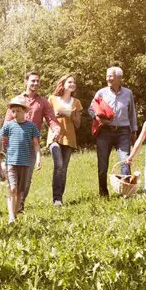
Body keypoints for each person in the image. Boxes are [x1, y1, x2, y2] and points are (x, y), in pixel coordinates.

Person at [3, 72, 60, 209]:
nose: (35, 83)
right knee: (13, 177)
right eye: (33, 81)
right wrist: (2, 146)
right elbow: (6, 124)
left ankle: (20, 205)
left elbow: (51, 119)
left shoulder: (43, 102)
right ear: (26, 81)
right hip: (14, 146)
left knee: (27, 179)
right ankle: (14, 206)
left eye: (38, 81)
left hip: (30, 145)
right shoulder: (16, 100)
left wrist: (56, 129)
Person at [89, 66, 138, 197]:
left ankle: (126, 192)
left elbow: (132, 112)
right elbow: (91, 109)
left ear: (119, 78)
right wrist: (97, 117)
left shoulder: (128, 93)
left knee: (125, 161)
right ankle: (103, 194)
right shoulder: (101, 93)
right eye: (107, 76)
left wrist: (134, 130)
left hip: (123, 132)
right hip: (104, 132)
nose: (108, 78)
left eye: (111, 76)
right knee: (102, 165)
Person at [0, 96, 41, 223]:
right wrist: (1, 158)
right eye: (13, 111)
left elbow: (36, 144)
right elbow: (0, 141)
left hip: (25, 162)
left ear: (25, 111)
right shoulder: (8, 126)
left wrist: (39, 158)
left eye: (18, 111)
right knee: (12, 188)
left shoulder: (31, 127)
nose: (15, 113)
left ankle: (15, 215)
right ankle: (11, 217)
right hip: (11, 162)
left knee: (19, 191)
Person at [48, 74, 83, 206]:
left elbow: (78, 124)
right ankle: (56, 198)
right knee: (58, 165)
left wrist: (73, 115)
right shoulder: (52, 99)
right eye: (69, 82)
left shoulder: (76, 102)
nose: (72, 84)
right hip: (54, 137)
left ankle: (59, 198)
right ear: (63, 84)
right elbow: (48, 119)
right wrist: (58, 115)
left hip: (69, 138)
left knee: (64, 168)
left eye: (74, 82)